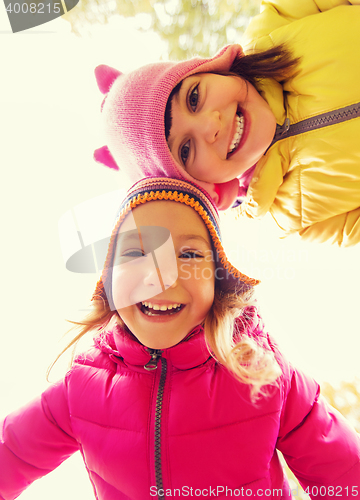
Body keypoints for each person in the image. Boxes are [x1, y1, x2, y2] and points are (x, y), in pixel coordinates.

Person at [1, 177, 360, 500]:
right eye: (135, 253)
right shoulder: (81, 385)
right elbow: (10, 457)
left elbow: (346, 479)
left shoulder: (266, 374)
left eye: (188, 254)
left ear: (218, 278)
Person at [94, 0, 360, 247]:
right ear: (206, 187)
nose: (211, 126)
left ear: (212, 69)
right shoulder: (294, 215)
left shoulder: (277, 26)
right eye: (185, 150)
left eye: (194, 97)